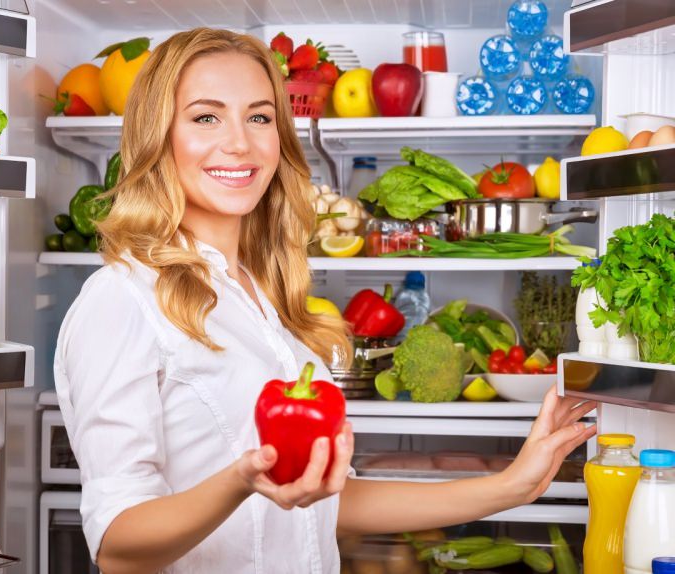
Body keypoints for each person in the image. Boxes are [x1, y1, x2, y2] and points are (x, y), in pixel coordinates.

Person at [53, 28, 596, 574]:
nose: (240, 142)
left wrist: (511, 486)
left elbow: (327, 507)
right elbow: (119, 544)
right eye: (206, 117)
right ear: (158, 134)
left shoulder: (264, 295)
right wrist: (240, 482)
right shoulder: (122, 298)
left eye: (260, 117)